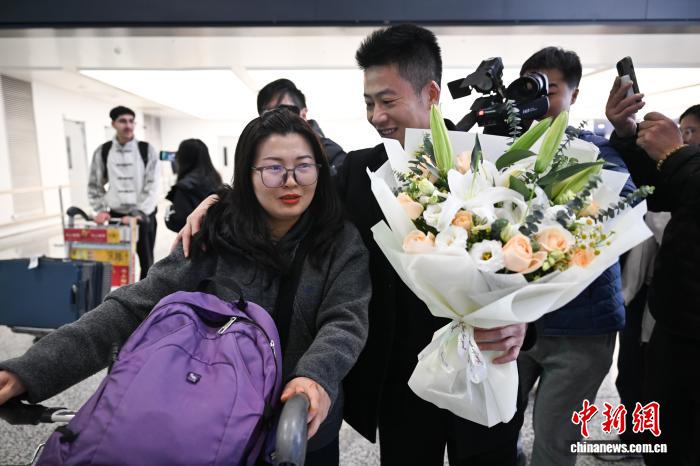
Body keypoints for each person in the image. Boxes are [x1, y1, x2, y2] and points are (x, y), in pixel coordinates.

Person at [173, 24, 530, 466]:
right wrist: (215, 204)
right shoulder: (360, 173)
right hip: (401, 379)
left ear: (431, 93)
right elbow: (292, 194)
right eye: (368, 103)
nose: (376, 116)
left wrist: (522, 321)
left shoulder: (494, 162)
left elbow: (541, 258)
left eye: (388, 101)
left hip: (484, 366)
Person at [0, 109, 371, 466]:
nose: (291, 181)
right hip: (212, 426)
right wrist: (30, 369)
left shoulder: (340, 242)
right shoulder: (215, 232)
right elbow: (133, 306)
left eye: (304, 166)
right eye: (273, 168)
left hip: (301, 427)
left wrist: (314, 376)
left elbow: (344, 320)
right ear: (248, 173)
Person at [514, 47, 636, 466]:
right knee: (494, 431)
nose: (538, 100)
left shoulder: (595, 151)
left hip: (581, 328)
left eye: (550, 90)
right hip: (511, 318)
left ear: (574, 95)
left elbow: (623, 207)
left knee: (556, 442)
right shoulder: (501, 150)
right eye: (530, 88)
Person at [606, 78, 700, 466]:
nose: (687, 139)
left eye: (692, 133)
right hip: (672, 319)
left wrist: (676, 154)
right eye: (685, 132)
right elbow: (655, 192)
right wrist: (628, 135)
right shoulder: (686, 170)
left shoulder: (687, 165)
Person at [88, 106, 161, 279]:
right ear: (113, 124)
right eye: (122, 121)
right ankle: (122, 295)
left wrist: (139, 213)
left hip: (143, 216)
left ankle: (144, 295)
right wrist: (100, 209)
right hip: (116, 217)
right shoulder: (103, 151)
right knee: (118, 263)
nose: (128, 125)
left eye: (131, 121)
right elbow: (94, 184)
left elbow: (152, 185)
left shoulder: (147, 150)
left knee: (147, 263)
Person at [257, 78, 347, 175]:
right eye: (268, 114)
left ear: (303, 115)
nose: (277, 119)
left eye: (284, 111)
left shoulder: (330, 152)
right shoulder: (259, 150)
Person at [164, 138, 222, 232]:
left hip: (194, 238)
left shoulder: (183, 187)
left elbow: (180, 223)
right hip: (215, 235)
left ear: (183, 158)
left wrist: (168, 212)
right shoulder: (215, 178)